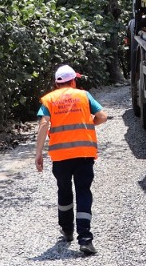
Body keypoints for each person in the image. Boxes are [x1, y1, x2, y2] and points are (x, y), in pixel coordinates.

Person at [34, 64, 108, 256]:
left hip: (60, 156)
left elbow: (44, 124)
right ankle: (85, 239)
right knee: (83, 191)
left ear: (57, 83)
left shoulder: (49, 100)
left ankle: (67, 231)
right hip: (84, 153)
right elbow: (102, 116)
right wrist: (88, 124)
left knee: (64, 191)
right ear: (73, 80)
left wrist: (39, 153)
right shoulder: (83, 95)